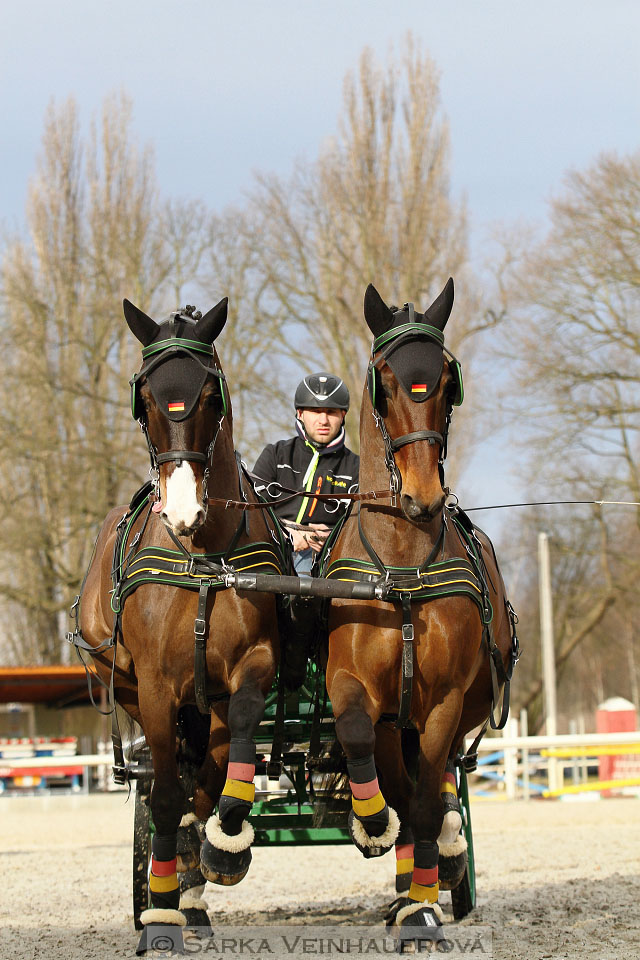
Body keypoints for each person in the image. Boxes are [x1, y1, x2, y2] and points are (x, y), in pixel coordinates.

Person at [253, 372, 359, 574]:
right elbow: (253, 512)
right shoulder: (275, 454)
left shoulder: (356, 467)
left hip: (329, 560)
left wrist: (332, 536)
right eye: (315, 411)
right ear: (300, 413)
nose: (323, 420)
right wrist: (289, 532)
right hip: (271, 552)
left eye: (331, 412)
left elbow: (362, 525)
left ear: (343, 415)